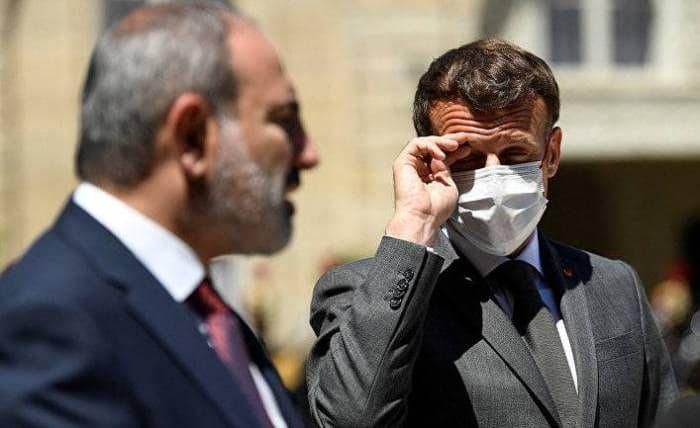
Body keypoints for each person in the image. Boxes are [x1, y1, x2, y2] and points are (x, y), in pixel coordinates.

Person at [306, 39, 677, 427]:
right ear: (430, 159)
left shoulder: (612, 284)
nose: (493, 176)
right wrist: (413, 224)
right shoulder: (364, 292)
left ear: (551, 154)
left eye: (515, 155)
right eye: (467, 158)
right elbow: (351, 419)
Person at [0, 3, 318, 427]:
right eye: (283, 120)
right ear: (192, 137)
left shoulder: (204, 310)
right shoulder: (51, 322)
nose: (309, 153)